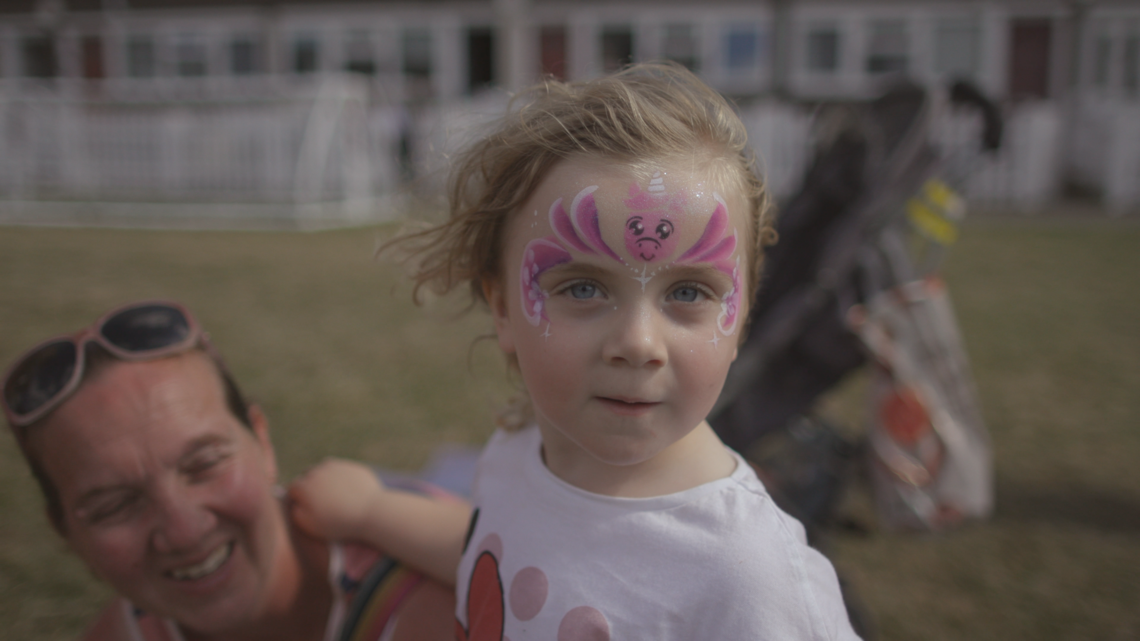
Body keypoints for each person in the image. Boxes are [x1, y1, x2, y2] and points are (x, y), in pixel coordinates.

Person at [290, 62, 861, 639]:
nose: (639, 344)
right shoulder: (522, 448)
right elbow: (500, 553)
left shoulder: (750, 578)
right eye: (583, 288)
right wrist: (372, 513)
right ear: (503, 309)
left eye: (688, 292)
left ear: (738, 317)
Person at [1, 300, 463, 641]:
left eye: (203, 464)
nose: (183, 531)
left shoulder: (449, 601)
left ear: (262, 443)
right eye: (114, 506)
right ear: (65, 533)